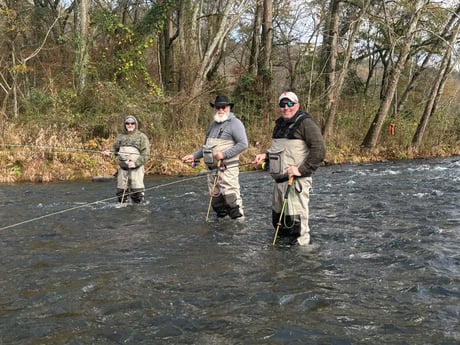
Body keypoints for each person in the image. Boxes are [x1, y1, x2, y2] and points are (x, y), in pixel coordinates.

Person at [255, 91, 326, 246]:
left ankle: (301, 263)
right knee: (280, 226)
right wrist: (266, 155)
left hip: (296, 183)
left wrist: (302, 170)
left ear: (297, 105)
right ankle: (283, 263)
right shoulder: (279, 124)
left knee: (297, 229)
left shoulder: (306, 123)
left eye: (290, 104)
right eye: (282, 104)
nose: (286, 108)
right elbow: (281, 150)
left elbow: (319, 150)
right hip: (279, 184)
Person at [182, 95, 248, 219]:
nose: (221, 110)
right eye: (218, 107)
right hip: (212, 172)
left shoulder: (236, 123)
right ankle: (221, 230)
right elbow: (205, 148)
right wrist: (193, 156)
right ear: (215, 108)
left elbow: (243, 144)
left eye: (224, 107)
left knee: (231, 201)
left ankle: (239, 229)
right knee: (218, 205)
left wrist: (224, 155)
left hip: (227, 170)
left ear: (229, 108)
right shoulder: (212, 125)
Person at [103, 115, 150, 203]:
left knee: (137, 194)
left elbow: (146, 154)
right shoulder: (120, 136)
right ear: (125, 125)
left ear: (135, 124)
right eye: (127, 123)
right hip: (123, 169)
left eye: (132, 123)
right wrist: (109, 153)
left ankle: (137, 211)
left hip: (136, 169)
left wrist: (135, 163)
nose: (130, 125)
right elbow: (115, 150)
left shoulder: (142, 137)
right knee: (121, 194)